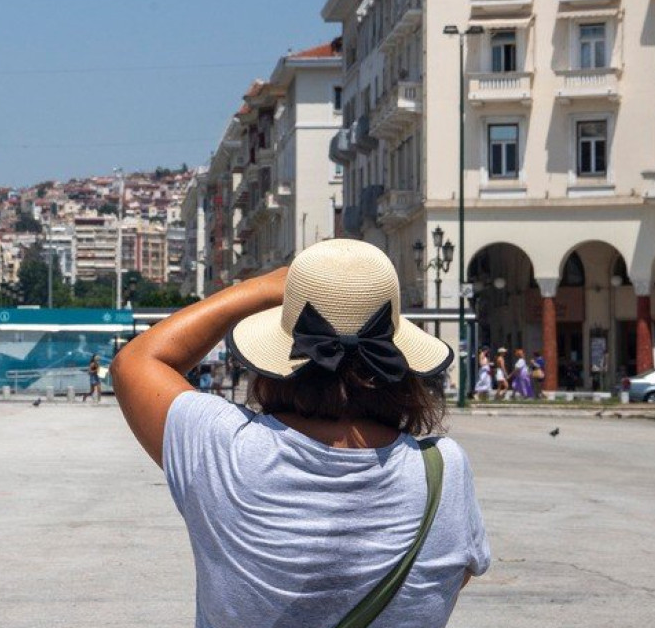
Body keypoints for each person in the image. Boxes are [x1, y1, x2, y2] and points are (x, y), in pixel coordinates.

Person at [113, 239, 489, 627]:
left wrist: (262, 288)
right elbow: (452, 578)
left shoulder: (224, 448)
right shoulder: (444, 473)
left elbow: (137, 361)